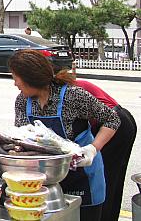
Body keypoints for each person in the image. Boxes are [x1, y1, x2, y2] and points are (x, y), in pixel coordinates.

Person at [9, 50, 120, 221]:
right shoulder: (23, 101)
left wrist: (92, 149)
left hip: (83, 178)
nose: (15, 83)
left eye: (16, 77)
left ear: (31, 77)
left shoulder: (73, 96)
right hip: (46, 182)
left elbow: (112, 119)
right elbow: (23, 136)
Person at [72, 79, 137, 221]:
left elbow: (110, 119)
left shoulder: (69, 91)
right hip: (122, 120)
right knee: (112, 182)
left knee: (107, 181)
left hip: (115, 126)